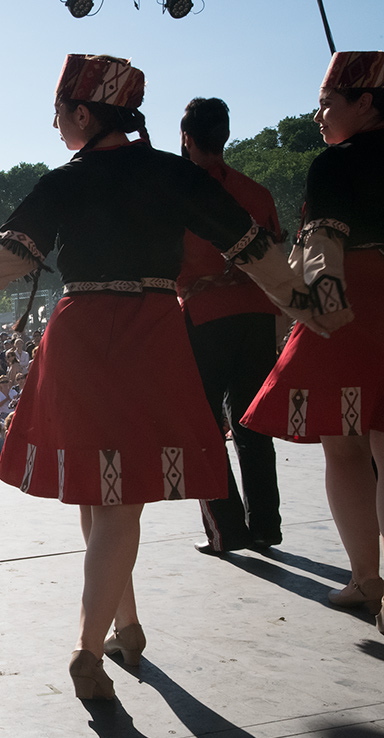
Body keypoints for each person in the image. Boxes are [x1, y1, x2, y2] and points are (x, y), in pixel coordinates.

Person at [0, 54, 328, 701]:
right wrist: (303, 300)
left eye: (60, 110)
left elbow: (10, 252)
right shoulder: (172, 174)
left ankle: (89, 649)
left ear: (83, 113)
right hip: (152, 330)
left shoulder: (67, 180)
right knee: (112, 495)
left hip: (84, 333)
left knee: (103, 494)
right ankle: (126, 625)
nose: (55, 121)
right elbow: (251, 245)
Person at [243, 51, 384, 633]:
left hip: (356, 303)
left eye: (328, 102)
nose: (319, 113)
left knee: (346, 443)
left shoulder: (333, 165)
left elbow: (323, 242)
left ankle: (368, 579)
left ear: (365, 102)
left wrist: (323, 293)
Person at [177, 97, 285, 555]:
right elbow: (276, 255)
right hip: (258, 314)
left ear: (185, 138)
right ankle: (265, 525)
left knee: (200, 426)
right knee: (251, 421)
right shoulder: (257, 194)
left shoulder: (178, 196)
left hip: (205, 320)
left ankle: (226, 530)